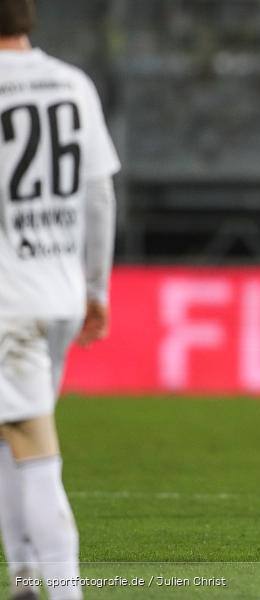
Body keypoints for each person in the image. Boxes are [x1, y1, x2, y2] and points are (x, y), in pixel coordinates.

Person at [0, 1, 119, 598]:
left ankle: (60, 590)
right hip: (59, 290)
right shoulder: (73, 83)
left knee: (29, 436)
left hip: (7, 296)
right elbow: (99, 195)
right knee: (10, 427)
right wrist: (95, 288)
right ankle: (22, 576)